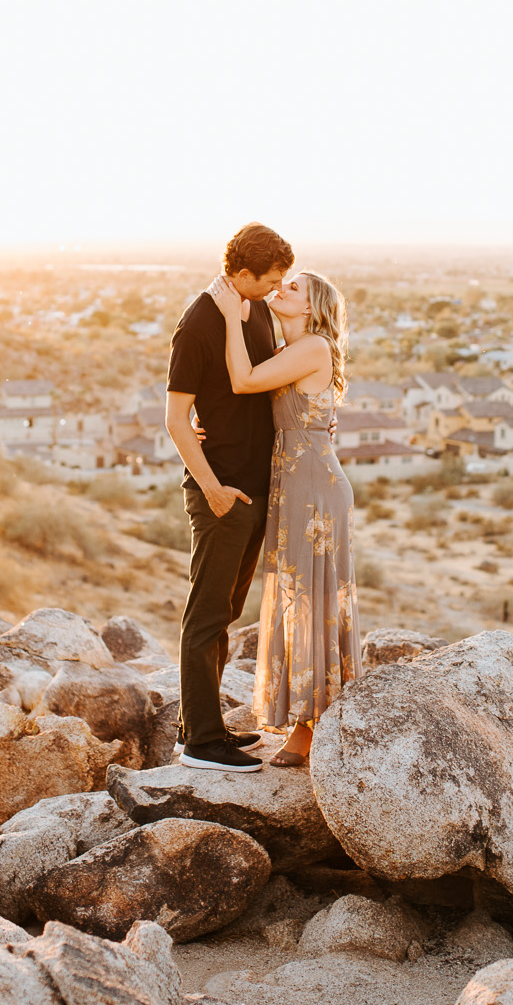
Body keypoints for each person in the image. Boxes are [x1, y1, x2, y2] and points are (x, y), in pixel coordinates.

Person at [207, 268, 358, 769]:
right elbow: (251, 398)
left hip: (314, 487)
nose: (281, 289)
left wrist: (230, 314)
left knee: (309, 599)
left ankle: (308, 727)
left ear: (313, 308)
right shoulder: (286, 350)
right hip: (292, 483)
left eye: (293, 288)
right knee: (296, 596)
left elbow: (244, 380)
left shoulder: (313, 347)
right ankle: (309, 715)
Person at [164, 222, 294, 773]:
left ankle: (203, 726)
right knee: (207, 614)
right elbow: (175, 417)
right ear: (241, 274)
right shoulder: (198, 320)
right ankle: (199, 745)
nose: (275, 288)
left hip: (254, 485)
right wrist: (213, 489)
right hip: (223, 490)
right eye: (269, 280)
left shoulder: (254, 309)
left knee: (226, 611)